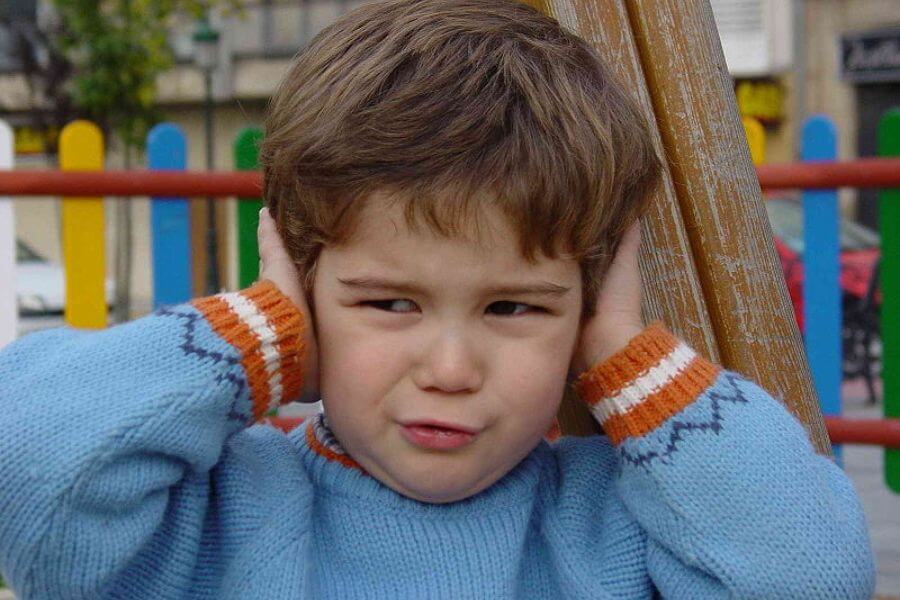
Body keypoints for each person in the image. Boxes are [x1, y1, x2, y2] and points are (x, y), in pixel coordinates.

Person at [0, 0, 876, 598]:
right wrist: (261, 334)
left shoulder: (615, 520)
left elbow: (808, 575)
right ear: (304, 289)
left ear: (582, 313)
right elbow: (26, 461)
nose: (451, 370)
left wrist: (625, 354)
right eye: (388, 304)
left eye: (514, 308)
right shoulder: (218, 518)